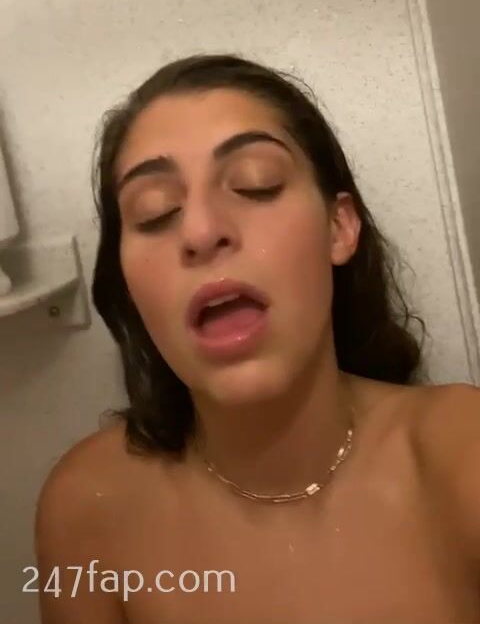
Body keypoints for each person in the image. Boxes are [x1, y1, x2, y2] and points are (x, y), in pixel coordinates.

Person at [35, 53, 480, 623]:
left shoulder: (462, 456)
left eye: (256, 183)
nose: (201, 230)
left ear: (338, 227)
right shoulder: (86, 511)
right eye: (154, 213)